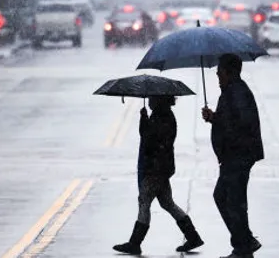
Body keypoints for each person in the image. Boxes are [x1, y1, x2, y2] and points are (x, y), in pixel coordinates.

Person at [113, 95, 203, 255]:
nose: (149, 101)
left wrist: (144, 120)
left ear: (160, 100)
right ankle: (193, 236)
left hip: (156, 168)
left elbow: (149, 139)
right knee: (167, 203)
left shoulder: (163, 117)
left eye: (152, 99)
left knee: (144, 201)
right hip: (161, 167)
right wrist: (145, 119)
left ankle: (135, 243)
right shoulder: (163, 115)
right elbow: (149, 136)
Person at [201, 54, 264, 258]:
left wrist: (217, 120)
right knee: (228, 198)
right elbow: (231, 120)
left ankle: (243, 245)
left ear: (229, 72)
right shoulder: (231, 91)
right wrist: (214, 118)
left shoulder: (237, 92)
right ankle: (244, 243)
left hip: (238, 155)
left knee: (231, 199)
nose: (217, 74)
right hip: (233, 155)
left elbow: (241, 124)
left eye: (220, 71)